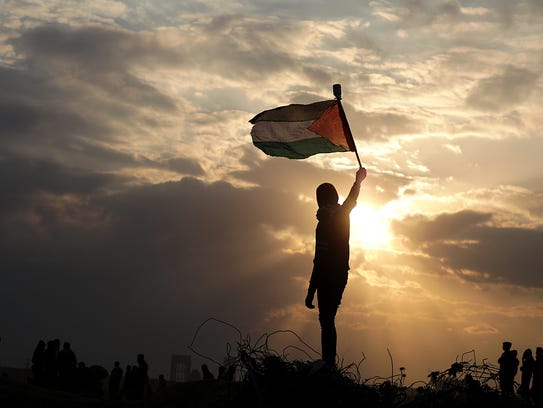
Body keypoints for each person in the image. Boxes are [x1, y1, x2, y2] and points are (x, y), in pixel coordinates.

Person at [305, 167, 367, 367]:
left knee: (326, 319)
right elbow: (351, 200)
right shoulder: (342, 214)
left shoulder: (324, 222)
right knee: (328, 318)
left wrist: (311, 290)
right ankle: (328, 362)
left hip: (327, 275)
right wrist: (358, 181)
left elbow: (319, 259)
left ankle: (328, 362)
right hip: (340, 274)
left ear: (319, 200)